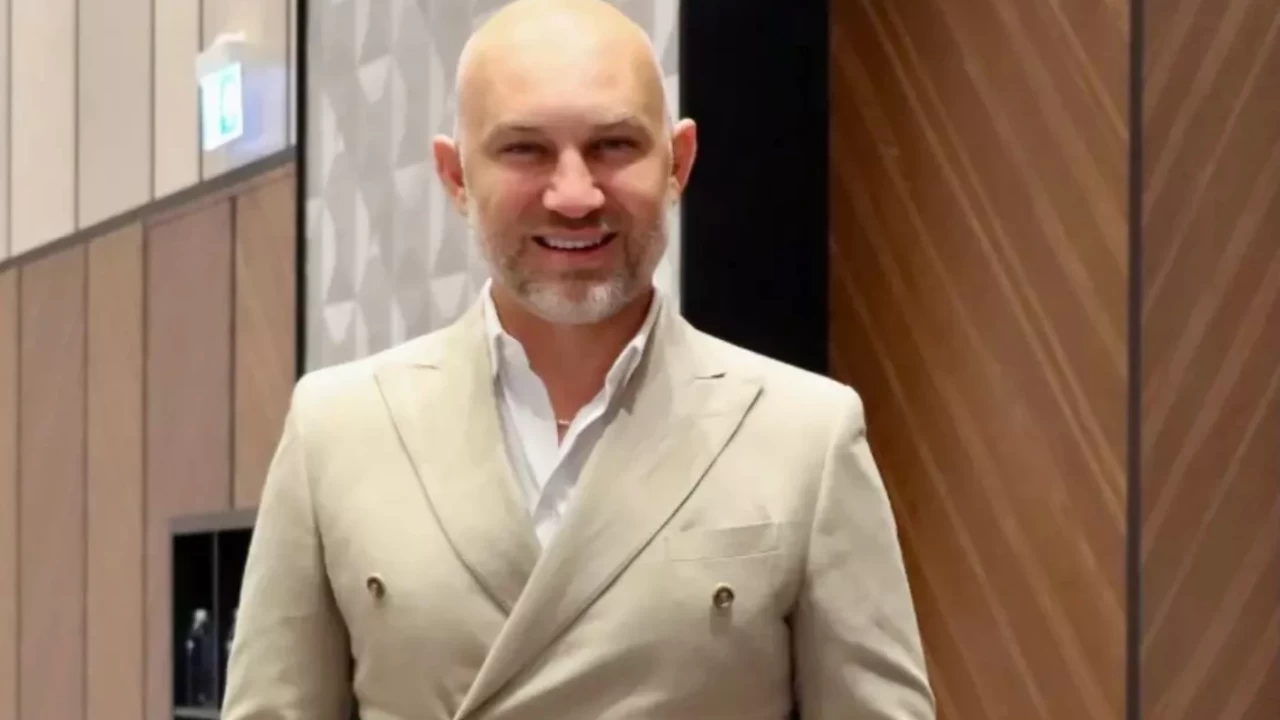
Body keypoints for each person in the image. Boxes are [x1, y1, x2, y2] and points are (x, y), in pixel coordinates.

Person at [220, 0, 936, 717]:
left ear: (679, 162)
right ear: (456, 175)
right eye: (524, 150)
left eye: (614, 145)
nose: (574, 195)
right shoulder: (337, 430)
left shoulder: (806, 437)